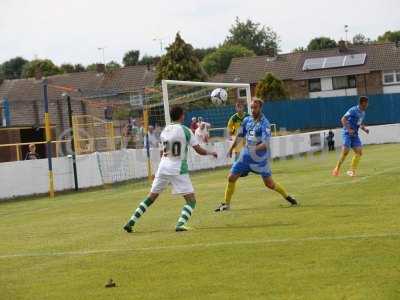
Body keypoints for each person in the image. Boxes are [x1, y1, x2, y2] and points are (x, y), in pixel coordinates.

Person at [123, 106, 218, 232]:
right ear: (181, 116)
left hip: (163, 167)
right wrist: (210, 152)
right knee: (191, 200)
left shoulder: (165, 130)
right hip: (178, 168)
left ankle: (131, 221)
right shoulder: (185, 130)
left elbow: (162, 152)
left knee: (151, 197)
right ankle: (180, 224)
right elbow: (198, 150)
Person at [215, 98, 298, 212]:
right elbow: (240, 136)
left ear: (260, 108)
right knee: (231, 178)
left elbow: (265, 144)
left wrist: (254, 149)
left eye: (255, 107)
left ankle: (287, 197)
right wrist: (231, 148)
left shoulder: (265, 123)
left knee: (269, 184)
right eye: (252, 107)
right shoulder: (247, 120)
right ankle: (226, 204)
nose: (253, 110)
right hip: (245, 156)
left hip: (259, 159)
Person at [332, 96, 369, 177]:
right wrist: (349, 130)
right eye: (366, 103)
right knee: (346, 151)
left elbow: (358, 123)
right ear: (362, 103)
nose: (367, 105)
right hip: (347, 133)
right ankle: (337, 168)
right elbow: (343, 119)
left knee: (359, 152)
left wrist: (364, 129)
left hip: (355, 135)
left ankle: (351, 170)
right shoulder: (353, 110)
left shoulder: (363, 113)